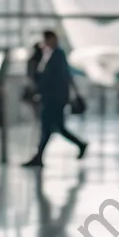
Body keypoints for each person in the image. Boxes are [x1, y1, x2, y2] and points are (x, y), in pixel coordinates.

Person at [22, 30, 88, 167]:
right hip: (52, 98)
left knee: (53, 127)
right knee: (50, 128)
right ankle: (39, 156)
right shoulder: (53, 55)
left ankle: (79, 144)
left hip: (54, 100)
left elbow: (55, 78)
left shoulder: (57, 55)